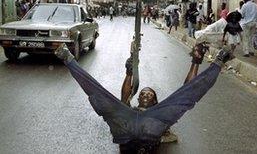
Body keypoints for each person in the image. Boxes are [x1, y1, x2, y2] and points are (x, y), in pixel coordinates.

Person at [54, 43, 233, 154]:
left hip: (152, 125)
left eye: (150, 94)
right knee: (99, 93)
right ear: (137, 98)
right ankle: (68, 59)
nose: (146, 95)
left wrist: (195, 62)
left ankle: (218, 61)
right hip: (125, 125)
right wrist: (129, 72)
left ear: (155, 102)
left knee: (184, 97)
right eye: (143, 94)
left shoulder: (160, 113)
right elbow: (124, 97)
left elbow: (186, 91)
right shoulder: (129, 108)